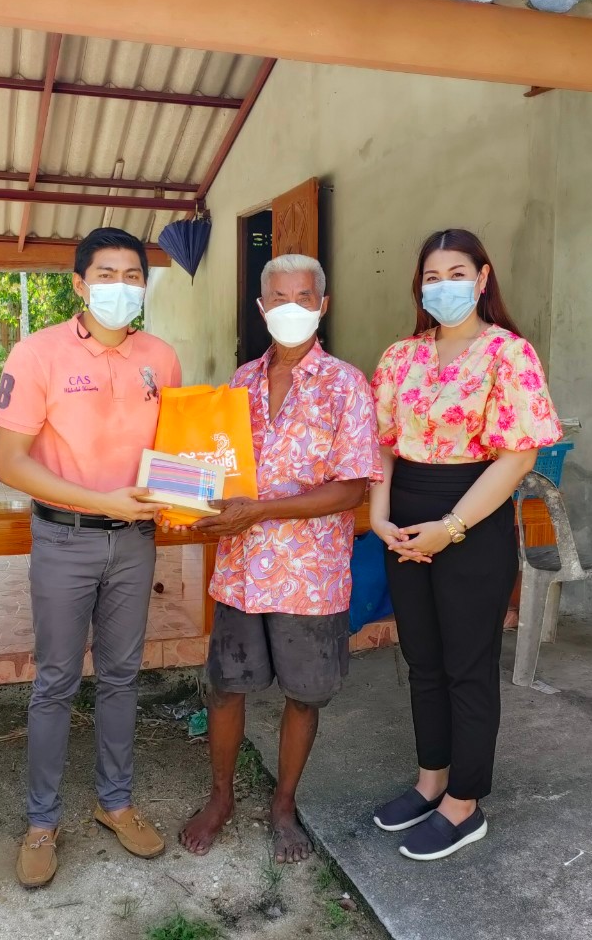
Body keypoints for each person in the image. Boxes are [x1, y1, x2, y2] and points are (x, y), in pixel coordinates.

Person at [0, 227, 182, 888]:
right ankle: (42, 821)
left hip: (134, 542)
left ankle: (116, 802)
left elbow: (177, 451)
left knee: (123, 676)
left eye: (133, 276)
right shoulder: (37, 354)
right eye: (106, 274)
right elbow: (9, 462)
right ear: (79, 284)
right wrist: (103, 501)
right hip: (64, 540)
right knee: (56, 680)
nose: (121, 287)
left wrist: (188, 492)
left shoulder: (161, 358)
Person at [178, 254, 381, 864]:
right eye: (280, 298)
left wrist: (259, 512)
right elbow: (214, 465)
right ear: (262, 308)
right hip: (241, 570)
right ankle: (220, 798)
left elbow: (352, 489)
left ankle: (284, 804)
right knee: (225, 689)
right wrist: (184, 499)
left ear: (323, 305)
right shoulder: (239, 383)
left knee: (304, 695)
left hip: (309, 575)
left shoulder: (347, 385)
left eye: (304, 297)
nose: (292, 308)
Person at [368, 229, 561, 861]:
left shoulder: (508, 353)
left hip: (472, 519)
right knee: (422, 659)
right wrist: (379, 517)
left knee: (467, 666)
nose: (443, 286)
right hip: (403, 521)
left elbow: (518, 455)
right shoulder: (400, 356)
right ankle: (431, 781)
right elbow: (382, 444)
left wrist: (451, 527)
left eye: (457, 273)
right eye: (432, 276)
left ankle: (464, 802)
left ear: (482, 279)